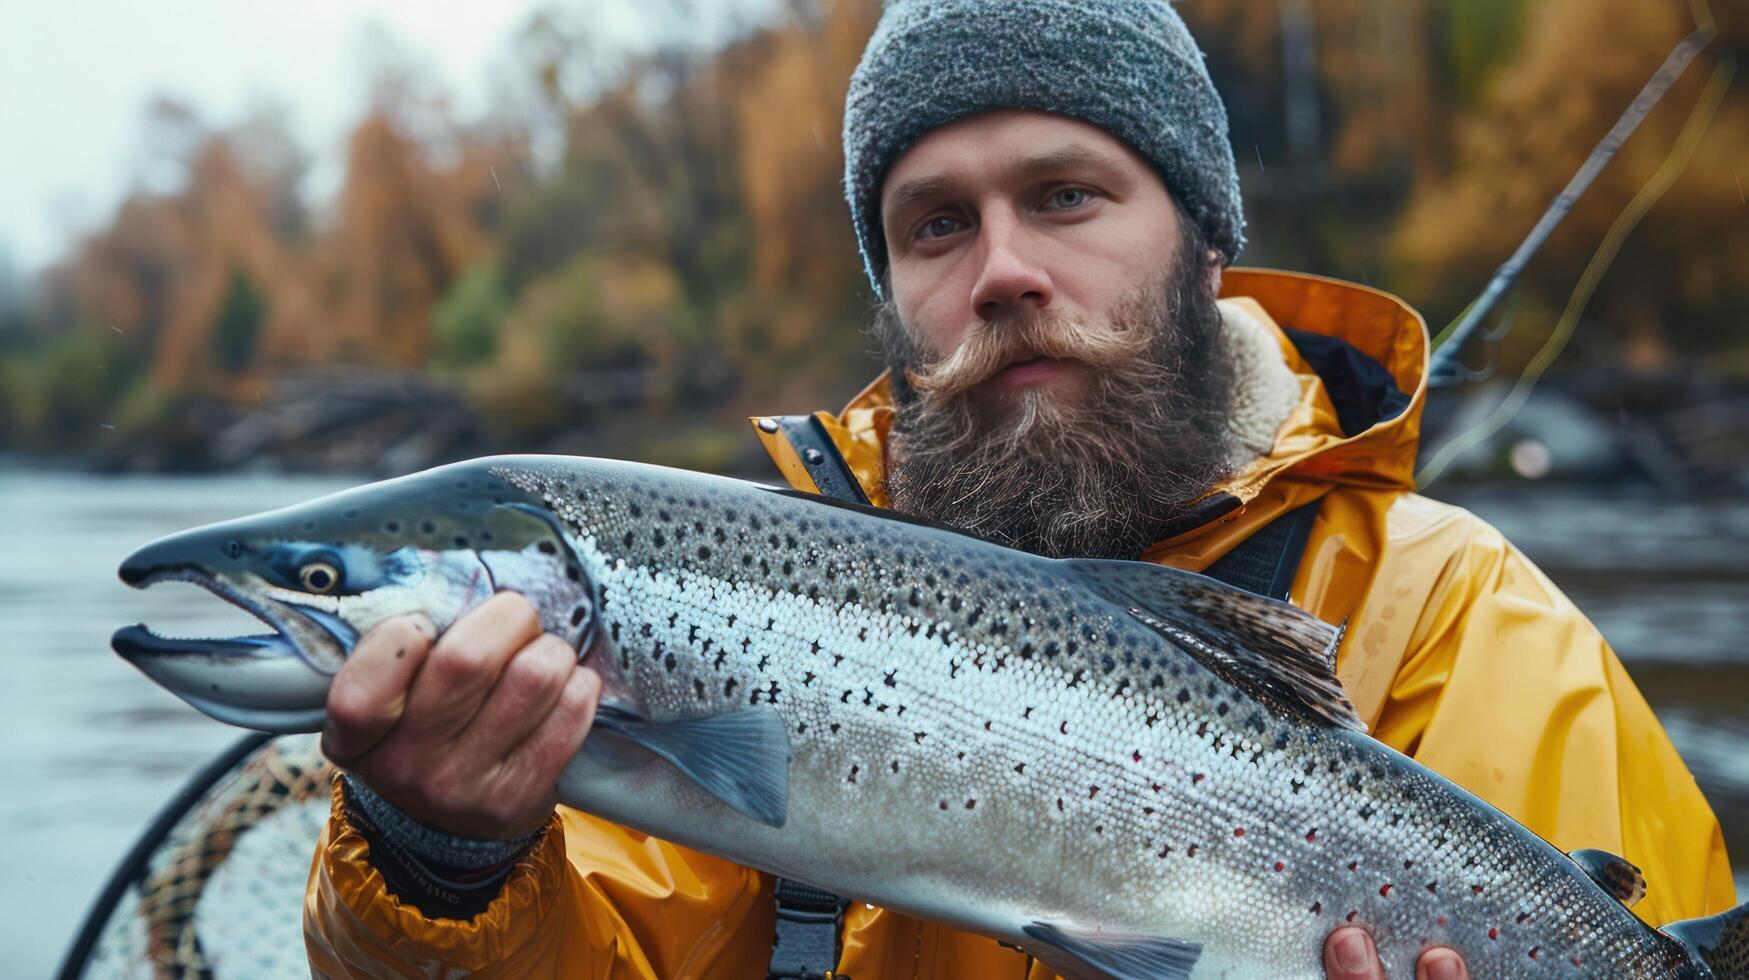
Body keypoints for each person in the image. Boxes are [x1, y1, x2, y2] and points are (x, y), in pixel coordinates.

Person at [304, 2, 1736, 977]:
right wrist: (440, 868)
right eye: (934, 224)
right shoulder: (724, 613)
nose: (1000, 272)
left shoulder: (1463, 616)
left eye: (1064, 194)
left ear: (1203, 246)